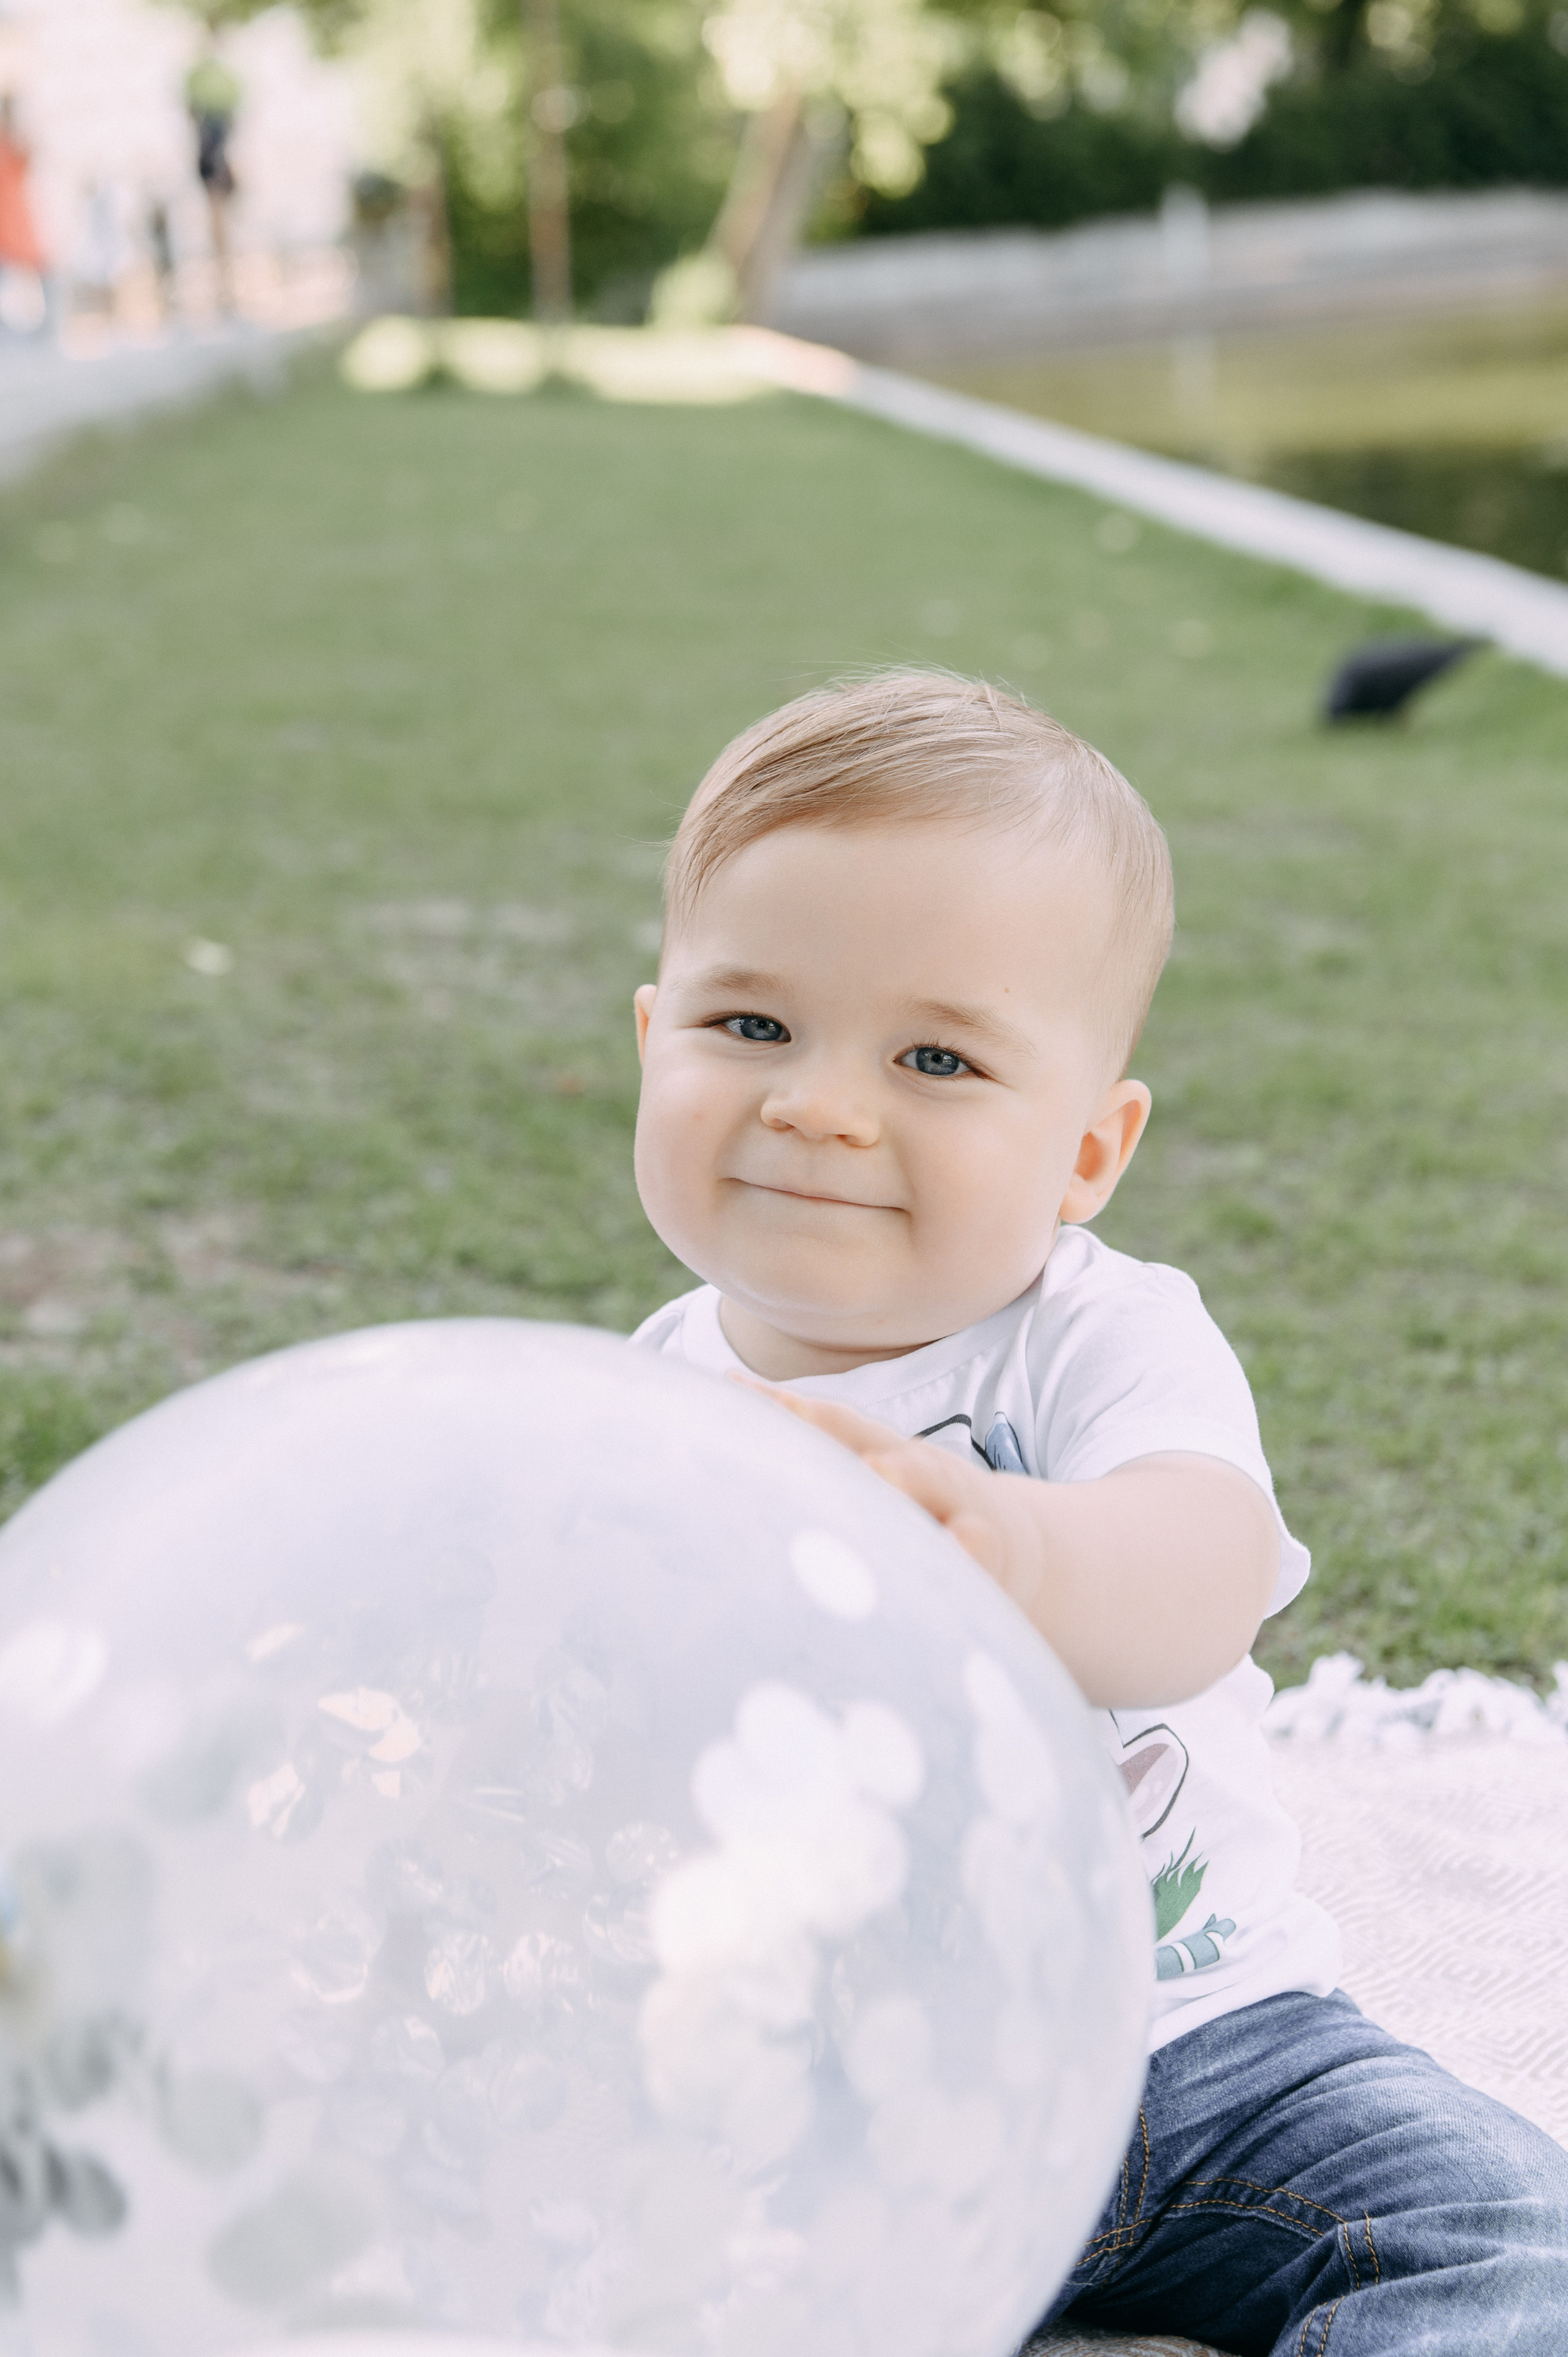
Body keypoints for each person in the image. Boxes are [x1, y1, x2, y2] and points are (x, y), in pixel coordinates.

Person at [627, 668, 1568, 2354]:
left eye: (935, 1055)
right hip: (837, 2112)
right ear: (652, 1039)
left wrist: (1001, 1543)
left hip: (1213, 2050)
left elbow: (1202, 1567)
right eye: (750, 1026)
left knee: (1514, 2237)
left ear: (1084, 1150)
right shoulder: (632, 1407)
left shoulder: (1100, 1337)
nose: (818, 1103)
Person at [0, 92, 50, 338]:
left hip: (17, 240)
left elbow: (29, 148)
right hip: (10, 243)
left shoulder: (11, 147)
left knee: (28, 308)